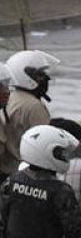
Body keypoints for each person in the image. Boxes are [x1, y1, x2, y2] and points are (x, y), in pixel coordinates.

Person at [1, 50, 59, 179]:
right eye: (39, 75)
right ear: (24, 76)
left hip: (8, 168)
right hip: (27, 174)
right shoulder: (34, 107)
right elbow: (47, 146)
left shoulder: (12, 97)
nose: (46, 78)